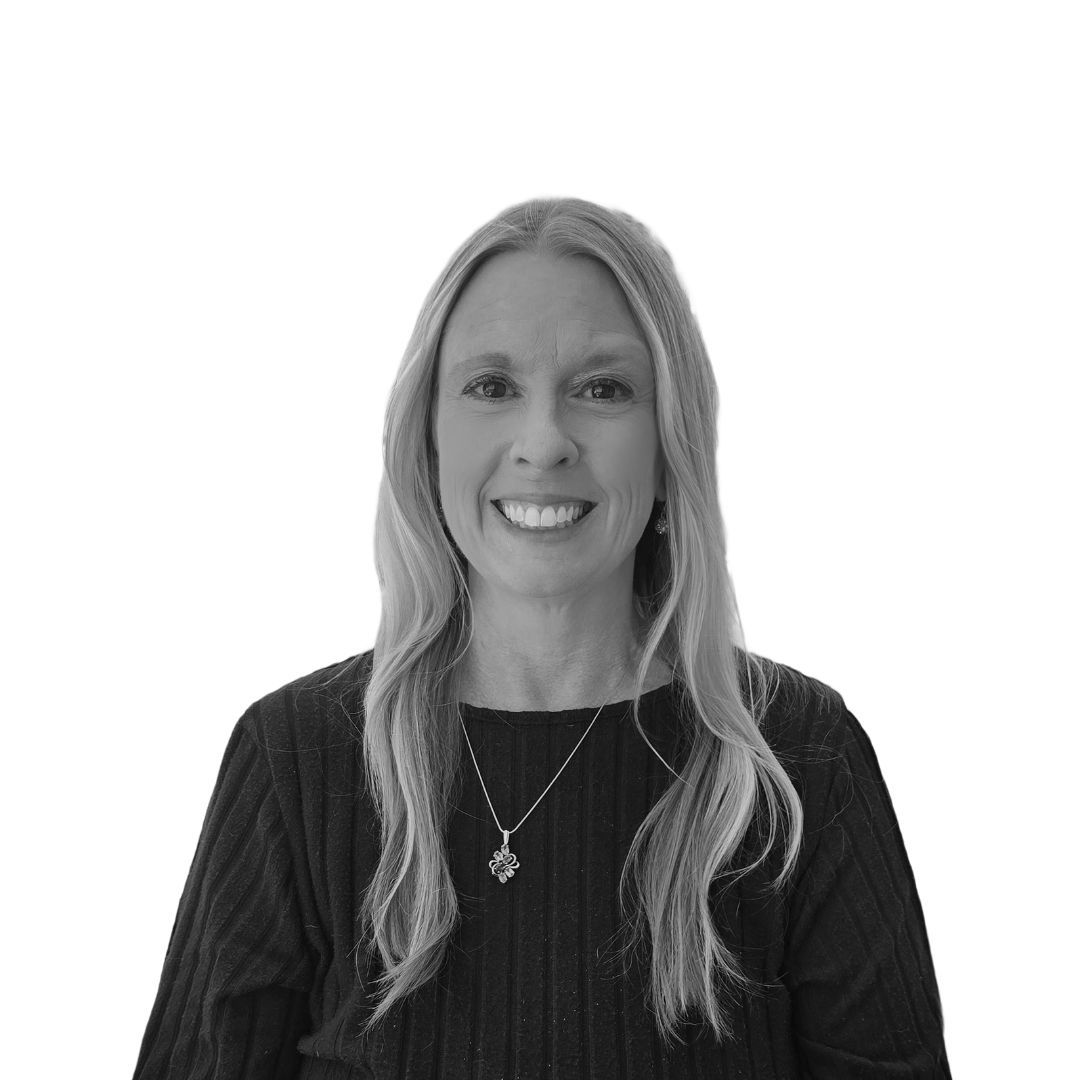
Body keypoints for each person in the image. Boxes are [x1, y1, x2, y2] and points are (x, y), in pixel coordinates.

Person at [132, 197, 951, 1078]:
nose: (543, 441)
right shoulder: (295, 758)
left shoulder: (796, 757)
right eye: (492, 386)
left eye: (603, 389)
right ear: (426, 439)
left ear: (670, 445)